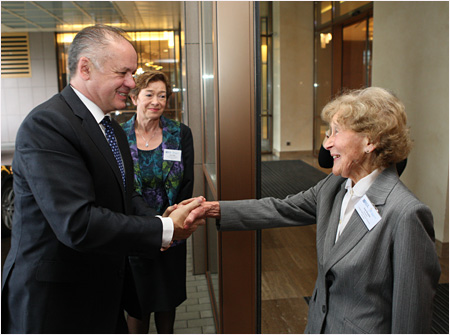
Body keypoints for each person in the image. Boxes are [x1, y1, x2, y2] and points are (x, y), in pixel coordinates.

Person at [184, 87, 441, 333]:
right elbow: (282, 208)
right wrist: (214, 209)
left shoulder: (406, 214)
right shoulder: (334, 186)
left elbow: (411, 318)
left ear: (369, 141)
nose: (327, 145)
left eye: (335, 132)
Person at [1, 25, 203, 334]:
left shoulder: (110, 130)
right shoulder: (48, 124)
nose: (131, 83)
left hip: (100, 292)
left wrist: (162, 217)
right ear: (85, 68)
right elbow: (77, 223)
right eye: (123, 73)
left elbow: (124, 197)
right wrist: (164, 228)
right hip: (58, 304)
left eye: (133, 74)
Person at [121, 70, 194, 334]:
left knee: (167, 300)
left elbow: (187, 181)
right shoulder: (119, 136)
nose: (156, 101)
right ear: (134, 98)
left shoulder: (179, 133)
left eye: (162, 95)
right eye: (149, 94)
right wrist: (152, 222)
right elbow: (121, 187)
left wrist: (175, 221)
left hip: (172, 231)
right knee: (138, 303)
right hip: (135, 231)